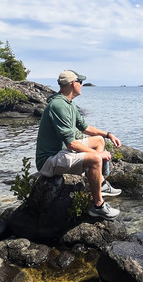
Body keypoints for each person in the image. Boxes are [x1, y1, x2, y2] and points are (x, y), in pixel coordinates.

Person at [35, 70, 123, 220]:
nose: (82, 85)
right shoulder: (58, 105)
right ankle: (98, 206)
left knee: (99, 141)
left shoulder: (69, 104)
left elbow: (86, 128)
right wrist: (97, 155)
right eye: (80, 82)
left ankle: (100, 183)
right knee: (95, 159)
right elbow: (71, 144)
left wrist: (108, 135)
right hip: (49, 160)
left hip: (62, 150)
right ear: (73, 84)